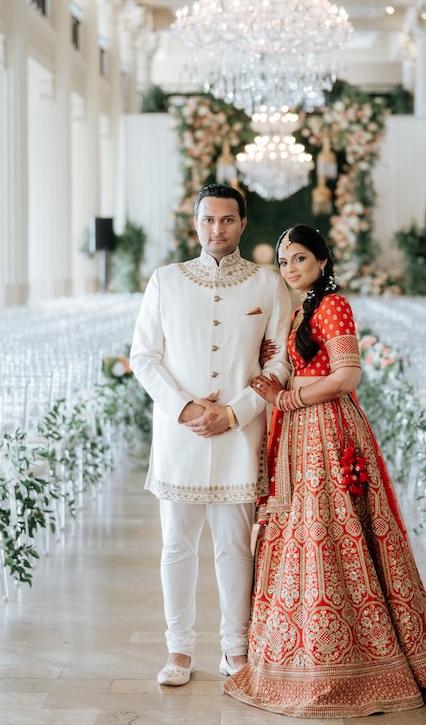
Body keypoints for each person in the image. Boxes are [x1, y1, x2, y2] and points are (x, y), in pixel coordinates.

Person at [224, 224, 426, 718]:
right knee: (304, 532)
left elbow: (347, 375)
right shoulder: (300, 308)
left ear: (322, 259)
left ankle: (348, 656)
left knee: (328, 532)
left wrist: (290, 397)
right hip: (299, 433)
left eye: (299, 258)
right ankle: (308, 649)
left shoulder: (333, 305)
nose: (290, 268)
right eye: (284, 261)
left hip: (327, 432)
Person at [129, 184, 292, 686]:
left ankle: (234, 650)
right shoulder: (165, 280)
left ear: (243, 224)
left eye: (226, 220)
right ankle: (179, 651)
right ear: (194, 225)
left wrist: (236, 413)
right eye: (208, 221)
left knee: (235, 546)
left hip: (239, 435)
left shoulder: (267, 284)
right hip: (180, 437)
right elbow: (143, 357)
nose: (216, 229)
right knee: (177, 547)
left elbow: (282, 359)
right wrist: (184, 409)